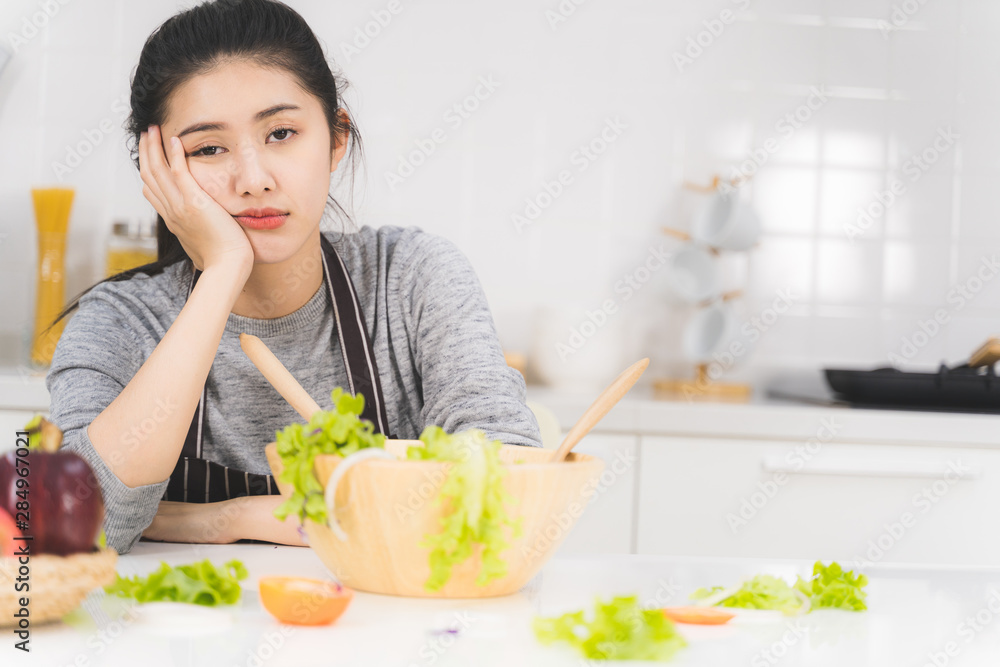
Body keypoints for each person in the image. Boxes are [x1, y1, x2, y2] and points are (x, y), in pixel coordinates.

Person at [45, 0, 541, 555]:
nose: (253, 179)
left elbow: (505, 489)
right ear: (160, 172)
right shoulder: (119, 321)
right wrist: (224, 271)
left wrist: (223, 517)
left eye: (281, 134)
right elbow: (75, 527)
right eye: (208, 148)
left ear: (335, 140)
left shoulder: (412, 280)